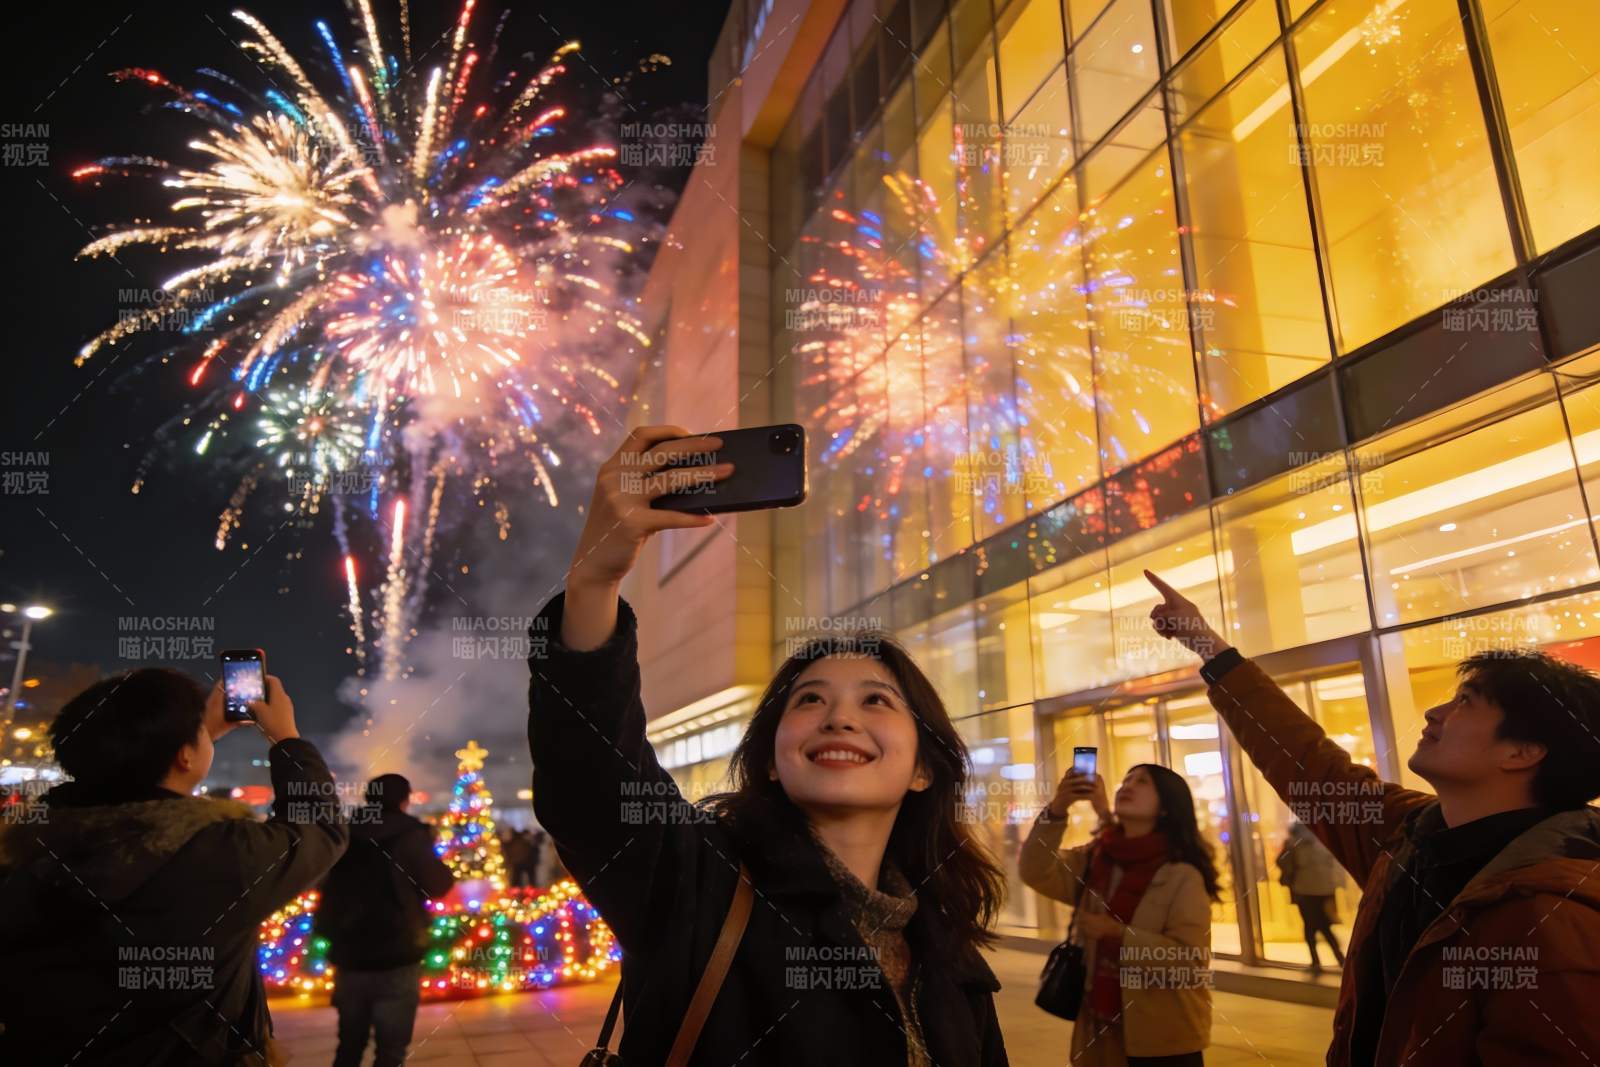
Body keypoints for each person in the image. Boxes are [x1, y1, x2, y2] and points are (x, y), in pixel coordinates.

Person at [527, 426, 1009, 1066]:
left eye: (876, 700)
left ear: (924, 767)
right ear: (773, 762)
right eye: (808, 699)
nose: (838, 716)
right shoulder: (694, 886)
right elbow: (590, 780)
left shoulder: (944, 942)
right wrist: (593, 581)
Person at [1143, 569, 1600, 1064]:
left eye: (1464, 703)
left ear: (1522, 753)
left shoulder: (1553, 915)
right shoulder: (1411, 833)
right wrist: (1208, 646)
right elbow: (1309, 763)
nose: (1434, 712)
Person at [0, 668, 346, 1065]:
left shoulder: (28, 854)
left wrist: (182, 744)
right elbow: (320, 829)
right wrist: (286, 738)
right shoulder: (219, 853)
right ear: (185, 755)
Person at [1020, 764, 1217, 1066]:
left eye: (1142, 782)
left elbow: (1190, 963)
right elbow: (1035, 870)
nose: (1128, 785)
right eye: (1125, 779)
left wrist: (1117, 934)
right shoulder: (1097, 858)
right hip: (1099, 1032)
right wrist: (1058, 809)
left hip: (1162, 1040)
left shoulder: (1182, 875)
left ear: (1166, 806)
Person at [316, 773, 455, 1067]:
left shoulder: (344, 830)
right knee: (391, 1051)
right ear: (404, 800)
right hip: (398, 951)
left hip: (349, 950)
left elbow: (323, 883)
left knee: (349, 1046)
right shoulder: (412, 835)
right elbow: (438, 885)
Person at [1275, 821, 1345, 977]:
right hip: (1324, 890)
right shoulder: (1324, 842)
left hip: (1303, 890)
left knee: (1311, 926)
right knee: (1323, 925)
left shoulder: (1293, 844)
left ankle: (1319, 961)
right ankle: (1339, 959)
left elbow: (1282, 862)